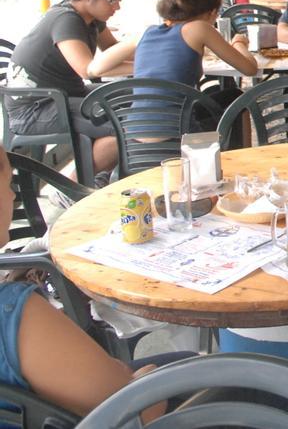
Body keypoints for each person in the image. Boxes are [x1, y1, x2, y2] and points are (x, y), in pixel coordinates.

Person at [0, 145, 183, 422]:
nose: (13, 195)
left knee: (181, 362)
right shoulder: (14, 313)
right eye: (9, 183)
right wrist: (139, 377)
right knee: (230, 379)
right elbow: (136, 411)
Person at [5, 0, 130, 178]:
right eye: (111, 0)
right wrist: (142, 64)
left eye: (118, 0)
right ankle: (72, 188)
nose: (117, 7)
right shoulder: (66, 19)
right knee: (125, 124)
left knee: (128, 97)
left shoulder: (91, 18)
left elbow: (112, 49)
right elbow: (87, 69)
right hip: (36, 107)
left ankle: (98, 175)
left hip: (64, 95)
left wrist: (155, 56)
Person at [87, 0, 258, 83]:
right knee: (233, 98)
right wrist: (239, 43)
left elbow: (94, 69)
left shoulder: (148, 32)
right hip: (178, 123)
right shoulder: (199, 28)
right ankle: (238, 146)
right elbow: (249, 69)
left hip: (136, 128)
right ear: (212, 12)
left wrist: (149, 68)